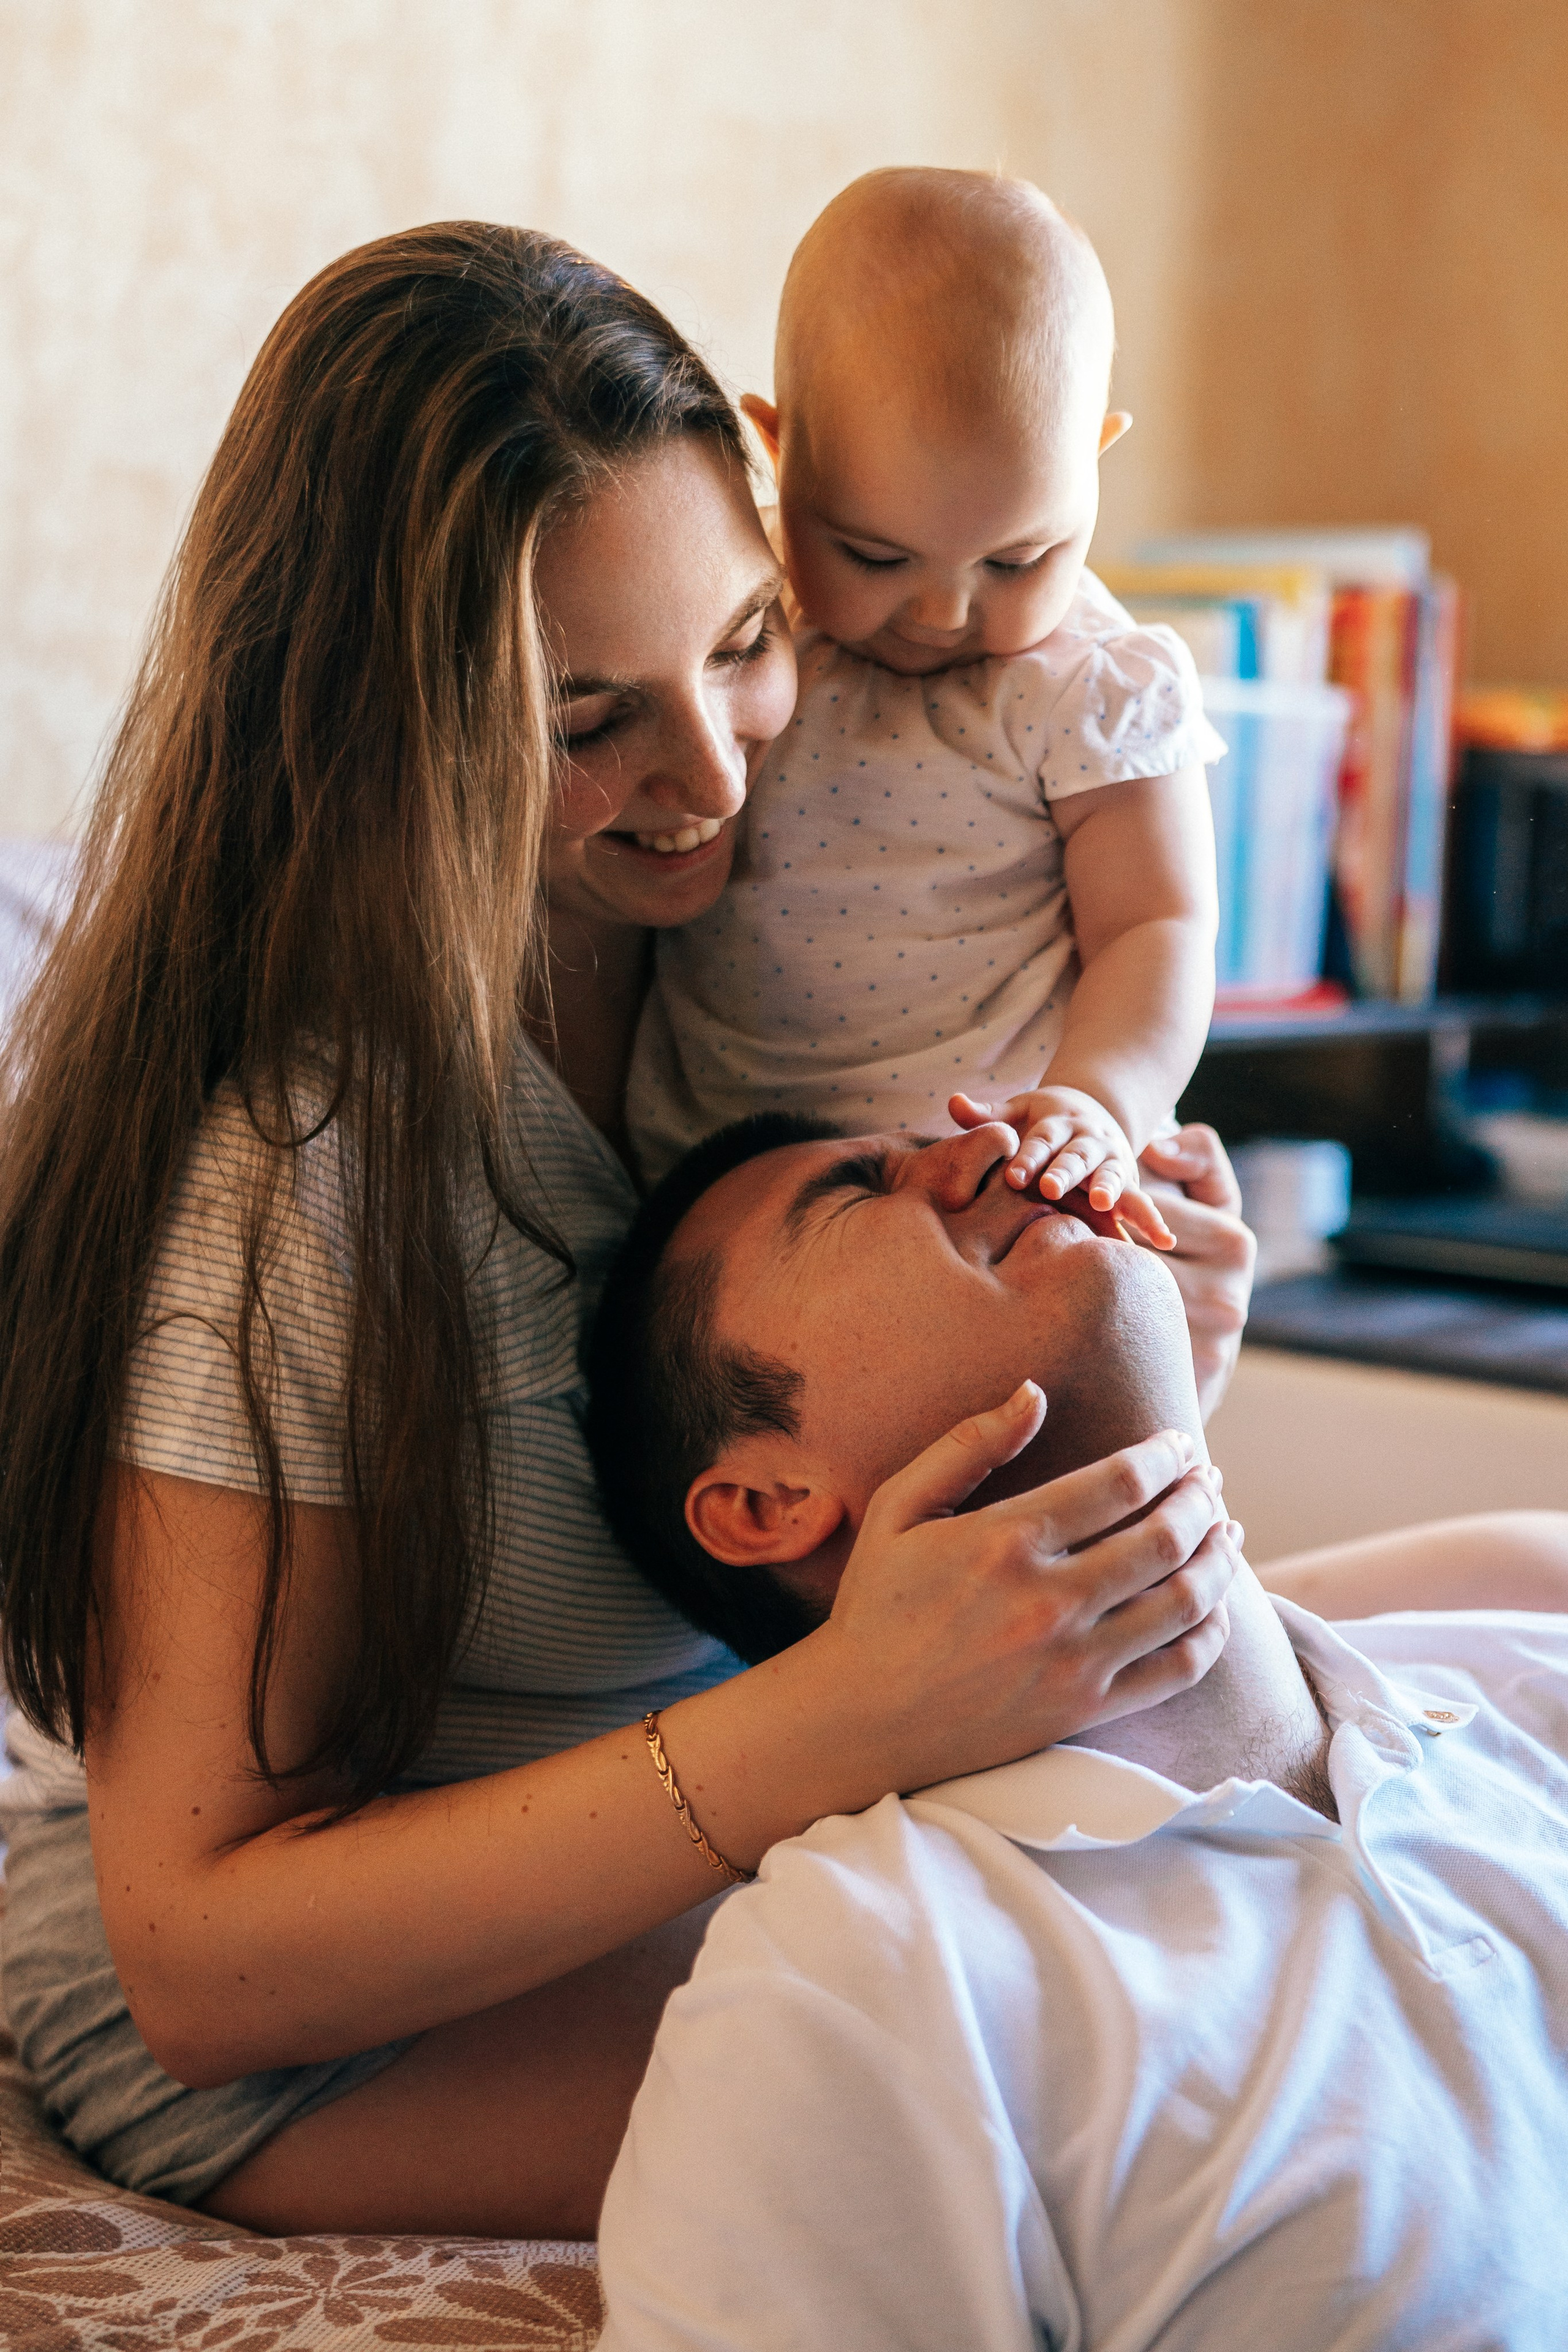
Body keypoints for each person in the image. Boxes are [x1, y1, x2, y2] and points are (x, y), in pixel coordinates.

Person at [0, 222, 1248, 2242]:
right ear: (382, 727)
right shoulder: (297, 1178)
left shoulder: (759, 954)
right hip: (304, 2023)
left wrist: (1148, 1365)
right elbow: (203, 1965)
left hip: (721, 1851)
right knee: (1085, 2108)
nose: (716, 775)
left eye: (749, 638)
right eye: (590, 721)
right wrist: (830, 1733)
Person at [586, 1114, 1568, 2350]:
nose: (987, 1147)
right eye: (860, 1189)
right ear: (768, 1500)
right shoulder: (874, 1975)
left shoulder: (1525, 1671)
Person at [628, 167, 1224, 1250]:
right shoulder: (741, 625)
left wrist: (1100, 1103)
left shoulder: (1088, 685)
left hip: (993, 1194)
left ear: (1092, 460)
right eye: (875, 552)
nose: (946, 611)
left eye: (1019, 555)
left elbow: (1158, 924)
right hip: (712, 1197)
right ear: (777, 447)